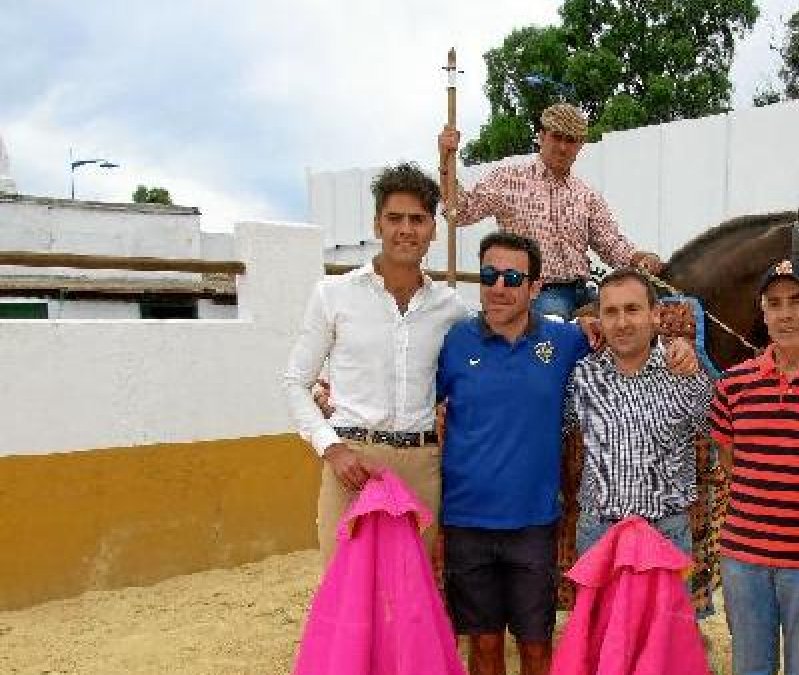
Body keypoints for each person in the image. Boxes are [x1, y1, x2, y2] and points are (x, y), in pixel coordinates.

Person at [436, 233, 696, 675]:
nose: (498, 287)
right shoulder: (455, 341)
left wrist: (681, 347)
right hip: (466, 522)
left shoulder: (566, 342)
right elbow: (414, 400)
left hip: (535, 525)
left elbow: (625, 335)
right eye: (489, 275)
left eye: (512, 278)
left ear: (535, 287)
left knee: (539, 647)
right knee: (483, 647)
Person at [282, 163, 470, 565]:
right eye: (395, 218)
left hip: (421, 466)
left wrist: (583, 324)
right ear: (377, 224)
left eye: (417, 219)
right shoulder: (333, 294)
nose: (406, 229)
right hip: (353, 463)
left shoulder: (450, 308)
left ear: (433, 229)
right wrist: (331, 448)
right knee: (347, 589)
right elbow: (296, 382)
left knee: (412, 590)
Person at [709, 258, 799, 675]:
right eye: (774, 303)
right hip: (744, 561)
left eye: (797, 300)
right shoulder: (732, 384)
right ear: (764, 313)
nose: (786, 313)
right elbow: (732, 462)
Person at [438, 103, 663, 319]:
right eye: (557, 137)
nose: (563, 147)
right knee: (556, 326)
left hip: (584, 290)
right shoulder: (508, 180)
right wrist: (445, 159)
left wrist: (640, 259)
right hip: (538, 292)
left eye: (570, 140)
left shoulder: (586, 195)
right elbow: (459, 212)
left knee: (633, 317)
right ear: (541, 136)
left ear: (580, 145)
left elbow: (610, 244)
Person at [567, 268, 712, 558]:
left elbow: (719, 433)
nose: (622, 323)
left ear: (655, 314)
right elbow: (548, 429)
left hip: (665, 534)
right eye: (611, 312)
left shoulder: (684, 373)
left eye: (632, 309)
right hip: (599, 535)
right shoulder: (582, 376)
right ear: (600, 320)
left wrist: (693, 361)